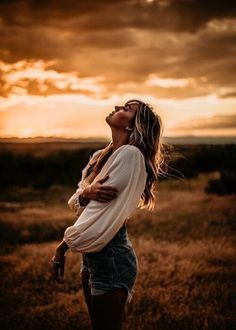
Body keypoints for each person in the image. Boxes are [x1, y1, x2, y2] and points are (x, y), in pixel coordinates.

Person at [51, 99, 165, 330]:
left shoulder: (130, 155)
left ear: (132, 126)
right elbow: (76, 203)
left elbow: (94, 212)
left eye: (126, 109)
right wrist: (86, 193)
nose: (116, 108)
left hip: (112, 255)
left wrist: (62, 247)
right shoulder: (100, 156)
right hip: (94, 254)